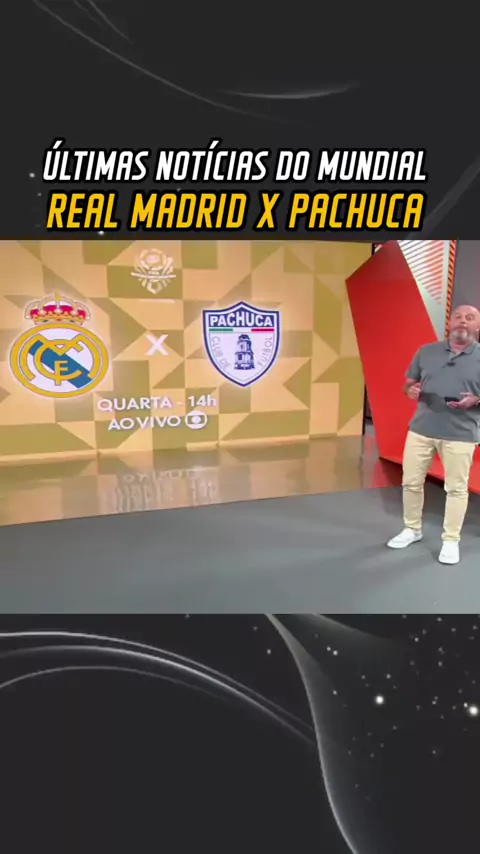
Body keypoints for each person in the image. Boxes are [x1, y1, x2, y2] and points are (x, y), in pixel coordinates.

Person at [387, 305, 480, 565]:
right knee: (411, 482)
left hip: (461, 434)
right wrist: (410, 390)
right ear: (450, 323)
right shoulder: (426, 352)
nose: (463, 321)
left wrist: (476, 400)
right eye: (458, 317)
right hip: (421, 430)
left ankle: (451, 540)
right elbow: (408, 384)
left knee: (456, 489)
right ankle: (412, 529)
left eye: (470, 318)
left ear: (477, 326)